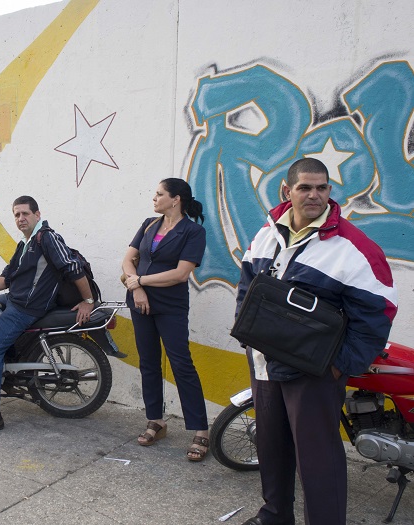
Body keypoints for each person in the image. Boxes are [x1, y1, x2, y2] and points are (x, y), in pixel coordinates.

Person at [237, 158, 397, 525]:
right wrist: (244, 329)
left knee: (317, 458)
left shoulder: (351, 246)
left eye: (322, 187)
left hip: (314, 370)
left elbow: (380, 310)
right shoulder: (267, 232)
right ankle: (274, 515)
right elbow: (247, 283)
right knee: (271, 447)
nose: (314, 195)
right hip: (264, 362)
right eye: (305, 187)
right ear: (286, 190)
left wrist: (340, 363)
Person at [0, 195, 95, 434]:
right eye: (16, 215)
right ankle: (6, 365)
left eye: (25, 213)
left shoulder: (47, 238)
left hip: (28, 307)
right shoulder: (25, 243)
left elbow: (72, 267)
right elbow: (7, 277)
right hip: (16, 299)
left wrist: (88, 301)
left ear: (37, 215)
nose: (21, 218)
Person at [121, 178, 210, 461]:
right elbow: (127, 259)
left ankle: (200, 431)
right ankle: (156, 421)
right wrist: (137, 288)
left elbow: (181, 274)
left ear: (176, 199)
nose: (154, 198)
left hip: (170, 306)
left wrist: (140, 280)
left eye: (159, 194)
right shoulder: (149, 224)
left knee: (181, 364)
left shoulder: (193, 232)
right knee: (148, 362)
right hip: (139, 303)